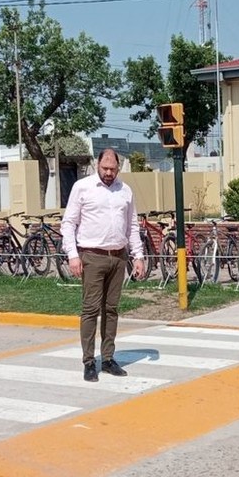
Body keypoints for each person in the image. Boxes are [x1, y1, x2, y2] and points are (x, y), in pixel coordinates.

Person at [61, 148, 146, 382]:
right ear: (97, 165)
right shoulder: (82, 187)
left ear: (119, 168)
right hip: (91, 256)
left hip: (118, 257)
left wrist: (137, 255)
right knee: (90, 310)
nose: (108, 173)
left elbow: (132, 226)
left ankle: (108, 358)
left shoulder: (125, 191)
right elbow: (68, 223)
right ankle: (89, 361)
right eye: (104, 168)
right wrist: (73, 255)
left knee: (111, 310)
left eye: (113, 169)